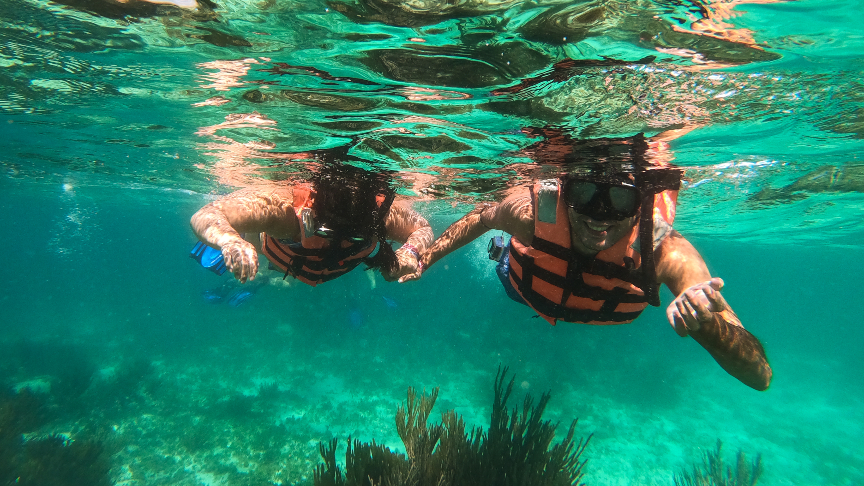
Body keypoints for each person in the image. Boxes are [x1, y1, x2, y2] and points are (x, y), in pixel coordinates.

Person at [403, 132, 773, 391]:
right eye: (584, 193)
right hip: (522, 285)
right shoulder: (531, 217)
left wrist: (707, 326)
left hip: (554, 288)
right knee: (505, 264)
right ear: (564, 190)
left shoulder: (664, 250)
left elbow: (761, 377)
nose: (600, 215)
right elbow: (482, 216)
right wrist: (426, 259)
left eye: (621, 201)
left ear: (640, 205)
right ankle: (502, 252)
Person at [190, 162, 433, 286]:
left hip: (329, 265)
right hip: (276, 252)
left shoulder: (379, 217)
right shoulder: (284, 212)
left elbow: (423, 228)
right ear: (313, 210)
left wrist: (409, 252)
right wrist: (229, 241)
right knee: (249, 235)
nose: (339, 238)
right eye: (327, 231)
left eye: (356, 234)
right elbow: (209, 213)